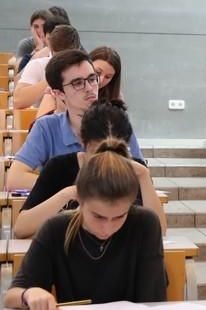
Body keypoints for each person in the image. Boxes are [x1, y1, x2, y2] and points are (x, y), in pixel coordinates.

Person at [4, 139, 167, 310]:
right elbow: (11, 295)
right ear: (79, 199)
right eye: (98, 216)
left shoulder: (145, 224)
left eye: (120, 216)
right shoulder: (56, 229)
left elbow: (153, 301)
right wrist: (28, 294)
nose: (107, 228)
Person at [14, 100, 167, 238]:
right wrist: (68, 194)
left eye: (117, 152)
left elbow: (159, 231)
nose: (107, 161)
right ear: (83, 143)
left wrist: (144, 176)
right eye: (98, 153)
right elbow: (21, 228)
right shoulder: (59, 167)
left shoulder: (136, 170)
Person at [6, 50, 144, 191]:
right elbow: (15, 179)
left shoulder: (117, 122)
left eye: (92, 79)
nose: (90, 88)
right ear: (58, 93)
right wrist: (80, 189)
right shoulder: (46, 127)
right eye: (77, 83)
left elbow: (141, 178)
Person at [14, 24, 82, 109]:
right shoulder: (38, 65)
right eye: (58, 57)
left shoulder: (84, 69)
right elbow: (18, 101)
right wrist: (51, 77)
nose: (63, 61)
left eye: (67, 56)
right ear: (51, 50)